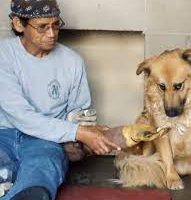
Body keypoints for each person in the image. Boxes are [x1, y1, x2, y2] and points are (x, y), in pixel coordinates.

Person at [0, 0, 121, 199]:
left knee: (43, 167)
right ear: (18, 24)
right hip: (3, 133)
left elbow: (78, 114)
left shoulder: (72, 62)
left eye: (56, 24)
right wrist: (79, 132)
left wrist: (81, 140)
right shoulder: (3, 55)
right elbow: (21, 116)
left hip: (45, 140)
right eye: (42, 27)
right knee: (3, 169)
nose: (51, 33)